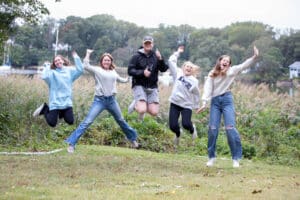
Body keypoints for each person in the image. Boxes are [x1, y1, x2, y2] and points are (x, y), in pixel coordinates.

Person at [65, 49, 139, 153]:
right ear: (101, 61)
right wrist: (88, 54)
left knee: (121, 120)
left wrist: (128, 79)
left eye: (108, 60)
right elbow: (86, 66)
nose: (107, 62)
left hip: (112, 101)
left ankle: (133, 140)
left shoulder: (113, 72)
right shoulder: (97, 70)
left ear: (111, 62)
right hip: (100, 101)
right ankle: (71, 144)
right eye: (105, 60)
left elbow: (120, 79)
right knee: (87, 121)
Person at [197, 46, 259, 168]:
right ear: (219, 62)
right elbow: (207, 89)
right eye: (223, 60)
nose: (225, 62)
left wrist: (254, 57)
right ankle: (211, 157)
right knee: (213, 129)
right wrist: (204, 103)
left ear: (229, 64)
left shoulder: (232, 71)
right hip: (215, 101)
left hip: (227, 100)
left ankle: (235, 158)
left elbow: (244, 65)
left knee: (230, 128)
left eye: (227, 61)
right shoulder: (212, 74)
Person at [33, 52, 84, 127]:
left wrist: (76, 57)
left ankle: (61, 113)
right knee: (52, 123)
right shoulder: (52, 73)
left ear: (63, 61)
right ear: (54, 64)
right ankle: (44, 109)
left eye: (59, 60)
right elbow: (44, 77)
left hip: (66, 102)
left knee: (70, 121)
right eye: (55, 61)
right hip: (55, 102)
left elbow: (80, 70)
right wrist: (47, 66)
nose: (57, 62)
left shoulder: (69, 71)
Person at [127, 36, 169, 120]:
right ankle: (138, 105)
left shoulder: (156, 56)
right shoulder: (136, 56)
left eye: (149, 43)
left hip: (152, 86)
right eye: (146, 43)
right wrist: (143, 72)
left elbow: (163, 69)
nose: (148, 44)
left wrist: (160, 59)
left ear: (152, 44)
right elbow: (130, 71)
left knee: (154, 112)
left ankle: (138, 102)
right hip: (139, 85)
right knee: (142, 109)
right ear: (143, 44)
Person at [168, 45, 200, 146]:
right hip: (175, 102)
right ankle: (178, 134)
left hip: (187, 105)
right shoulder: (178, 73)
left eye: (191, 67)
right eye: (187, 66)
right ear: (183, 68)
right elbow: (171, 61)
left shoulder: (194, 81)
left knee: (186, 124)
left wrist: (196, 105)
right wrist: (178, 52)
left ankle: (192, 128)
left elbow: (196, 93)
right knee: (173, 126)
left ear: (192, 70)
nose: (189, 68)